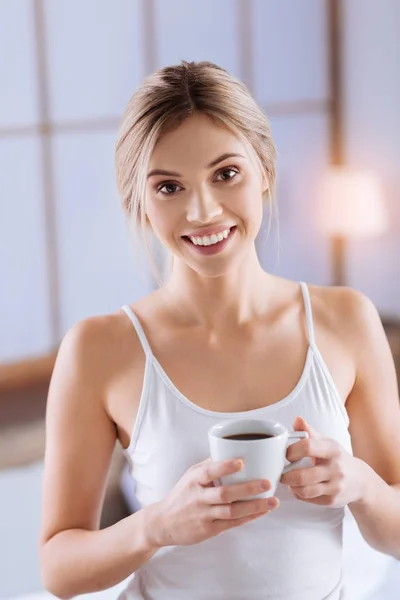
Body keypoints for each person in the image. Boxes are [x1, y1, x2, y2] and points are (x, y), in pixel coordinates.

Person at [39, 61, 400, 600]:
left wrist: (362, 486)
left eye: (225, 174)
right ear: (139, 201)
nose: (202, 210)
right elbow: (58, 569)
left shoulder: (346, 320)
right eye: (168, 186)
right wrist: (156, 525)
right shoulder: (98, 350)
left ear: (266, 173)